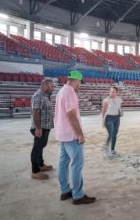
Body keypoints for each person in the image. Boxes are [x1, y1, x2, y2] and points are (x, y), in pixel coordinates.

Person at [54, 70, 96, 205]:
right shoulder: (70, 93)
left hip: (62, 133)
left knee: (63, 163)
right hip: (71, 135)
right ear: (75, 81)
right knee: (77, 164)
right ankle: (78, 195)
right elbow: (71, 116)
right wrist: (80, 134)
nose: (80, 85)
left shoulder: (61, 91)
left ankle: (65, 190)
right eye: (79, 82)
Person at [30, 78, 55, 180]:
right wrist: (38, 128)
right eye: (51, 86)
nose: (53, 88)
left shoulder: (45, 96)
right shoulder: (39, 96)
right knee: (37, 147)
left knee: (41, 146)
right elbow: (36, 112)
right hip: (40, 127)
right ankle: (35, 171)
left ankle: (41, 164)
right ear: (45, 86)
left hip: (45, 126)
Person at [101, 87, 123, 157]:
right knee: (111, 133)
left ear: (117, 92)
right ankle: (106, 148)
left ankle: (112, 150)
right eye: (111, 91)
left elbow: (119, 107)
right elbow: (103, 111)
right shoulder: (106, 100)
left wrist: (121, 113)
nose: (112, 93)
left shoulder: (119, 99)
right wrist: (103, 121)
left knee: (115, 134)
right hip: (109, 118)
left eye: (114, 91)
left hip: (117, 118)